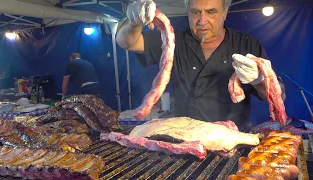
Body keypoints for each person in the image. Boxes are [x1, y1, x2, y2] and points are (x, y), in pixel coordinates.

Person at [116, 0, 286, 130]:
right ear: (188, 13)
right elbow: (128, 43)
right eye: (196, 12)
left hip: (234, 141)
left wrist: (258, 79)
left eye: (211, 12)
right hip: (186, 140)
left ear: (225, 13)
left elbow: (275, 95)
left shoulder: (247, 44)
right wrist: (133, 21)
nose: (202, 21)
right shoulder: (174, 41)